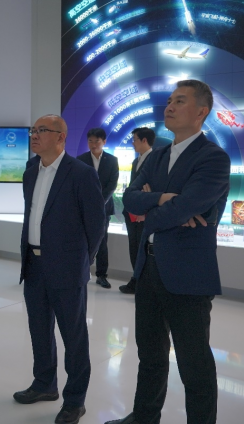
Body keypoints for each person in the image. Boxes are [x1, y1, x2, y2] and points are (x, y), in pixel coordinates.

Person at [106, 80, 230, 424]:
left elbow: (185, 206)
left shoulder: (213, 158)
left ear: (202, 112)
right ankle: (144, 417)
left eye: (180, 101)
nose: (170, 106)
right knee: (150, 354)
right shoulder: (157, 155)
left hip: (187, 273)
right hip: (148, 268)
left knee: (194, 363)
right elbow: (130, 199)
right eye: (170, 100)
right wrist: (162, 199)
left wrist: (156, 208)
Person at [13, 115, 105, 424]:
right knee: (39, 330)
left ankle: (75, 401)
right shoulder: (31, 171)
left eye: (41, 131)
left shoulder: (80, 174)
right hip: (34, 264)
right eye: (33, 130)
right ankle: (44, 384)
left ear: (61, 137)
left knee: (73, 337)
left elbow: (96, 225)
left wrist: (81, 261)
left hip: (67, 267)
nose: (34, 135)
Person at [77, 127, 119, 289]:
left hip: (103, 208)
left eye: (97, 141)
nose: (93, 144)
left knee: (101, 241)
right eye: (90, 141)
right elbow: (78, 184)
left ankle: (101, 275)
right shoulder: (80, 159)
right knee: (81, 239)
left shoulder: (112, 160)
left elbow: (112, 184)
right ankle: (81, 270)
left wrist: (99, 202)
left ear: (104, 142)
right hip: (83, 207)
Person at [119, 127, 155, 295]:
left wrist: (144, 210)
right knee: (133, 246)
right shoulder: (136, 161)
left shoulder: (155, 160)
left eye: (134, 139)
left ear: (144, 140)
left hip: (144, 213)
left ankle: (142, 282)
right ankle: (136, 280)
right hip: (131, 212)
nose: (132, 143)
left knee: (143, 249)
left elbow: (151, 189)